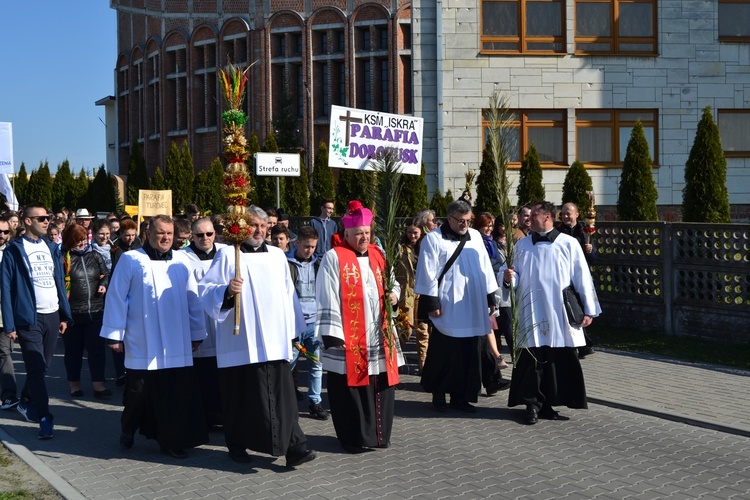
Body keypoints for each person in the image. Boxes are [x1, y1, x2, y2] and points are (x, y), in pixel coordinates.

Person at [199, 206, 316, 467]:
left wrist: (293, 331)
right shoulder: (229, 255)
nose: (260, 231)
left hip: (274, 341)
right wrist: (227, 291)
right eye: (254, 225)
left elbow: (289, 294)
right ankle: (238, 444)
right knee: (241, 396)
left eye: (264, 226)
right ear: (241, 226)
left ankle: (295, 447)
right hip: (240, 341)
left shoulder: (277, 255)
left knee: (282, 396)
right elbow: (205, 290)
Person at [100, 215, 208, 458]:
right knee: (138, 392)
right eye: (161, 233)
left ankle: (169, 440)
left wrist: (196, 332)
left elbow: (193, 298)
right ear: (148, 232)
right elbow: (117, 298)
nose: (166, 238)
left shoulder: (181, 260)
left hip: (176, 340)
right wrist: (115, 335)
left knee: (173, 393)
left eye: (170, 233)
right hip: (143, 339)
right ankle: (128, 428)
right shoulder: (131, 260)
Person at [316, 201, 404, 454]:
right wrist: (333, 334)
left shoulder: (379, 254)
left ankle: (378, 435)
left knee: (380, 383)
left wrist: (394, 296)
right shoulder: (334, 257)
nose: (363, 237)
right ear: (346, 234)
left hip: (379, 332)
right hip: (348, 335)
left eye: (366, 233)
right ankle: (352, 437)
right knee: (350, 389)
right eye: (358, 234)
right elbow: (327, 294)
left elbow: (393, 283)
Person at [502, 201, 601, 425]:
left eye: (533, 215)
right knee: (532, 360)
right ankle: (532, 404)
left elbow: (581, 277)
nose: (528, 219)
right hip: (531, 312)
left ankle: (549, 404)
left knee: (557, 358)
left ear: (547, 217)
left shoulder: (569, 244)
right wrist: (508, 278)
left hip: (559, 312)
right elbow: (515, 276)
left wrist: (589, 309)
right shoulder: (521, 245)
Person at [414, 200, 499, 413]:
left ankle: (461, 397)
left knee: (468, 354)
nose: (465, 225)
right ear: (449, 218)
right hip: (448, 305)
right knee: (444, 353)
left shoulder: (476, 236)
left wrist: (490, 297)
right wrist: (432, 303)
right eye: (461, 221)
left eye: (469, 220)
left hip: (472, 304)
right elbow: (427, 272)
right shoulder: (433, 239)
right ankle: (439, 395)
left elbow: (485, 268)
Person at [1, 205, 73, 439]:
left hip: (52, 316)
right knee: (36, 367)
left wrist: (63, 314)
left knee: (41, 367)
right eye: (41, 218)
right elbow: (6, 287)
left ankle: (24, 399)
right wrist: (10, 324)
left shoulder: (52, 247)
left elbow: (59, 282)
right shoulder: (13, 250)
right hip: (28, 319)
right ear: (27, 221)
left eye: (48, 218)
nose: (46, 221)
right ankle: (45, 418)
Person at [181, 217, 227, 428]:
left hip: (223, 322)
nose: (205, 239)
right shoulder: (182, 257)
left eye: (209, 234)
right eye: (200, 235)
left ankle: (223, 413)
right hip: (199, 321)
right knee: (203, 373)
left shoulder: (225, 253)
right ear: (192, 236)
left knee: (223, 372)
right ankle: (205, 416)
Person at [60, 224, 111, 399]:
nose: (81, 243)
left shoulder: (94, 255)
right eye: (77, 240)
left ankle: (99, 385)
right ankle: (74, 385)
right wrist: (63, 316)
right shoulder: (63, 259)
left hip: (95, 311)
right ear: (69, 241)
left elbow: (106, 274)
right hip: (73, 315)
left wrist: (103, 285)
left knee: (97, 351)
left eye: (83, 239)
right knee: (74, 352)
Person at [286, 226, 329, 420]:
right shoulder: (287, 263)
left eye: (313, 247)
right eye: (306, 247)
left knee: (316, 363)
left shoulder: (319, 264)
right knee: (290, 362)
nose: (309, 251)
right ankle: (285, 401)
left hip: (314, 322)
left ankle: (315, 401)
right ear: (297, 243)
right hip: (295, 323)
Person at [557, 202, 596, 358]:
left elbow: (593, 259)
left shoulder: (585, 231)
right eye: (564, 213)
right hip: (565, 277)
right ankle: (583, 344)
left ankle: (584, 344)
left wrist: (590, 251)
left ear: (577, 214)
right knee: (572, 309)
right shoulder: (558, 231)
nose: (566, 216)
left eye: (569, 213)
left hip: (580, 277)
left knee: (581, 310)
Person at [0, 217, 19, 410]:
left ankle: (9, 395)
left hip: (5, 314)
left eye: (6, 232)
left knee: (3, 353)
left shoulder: (13, 253)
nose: (2, 235)